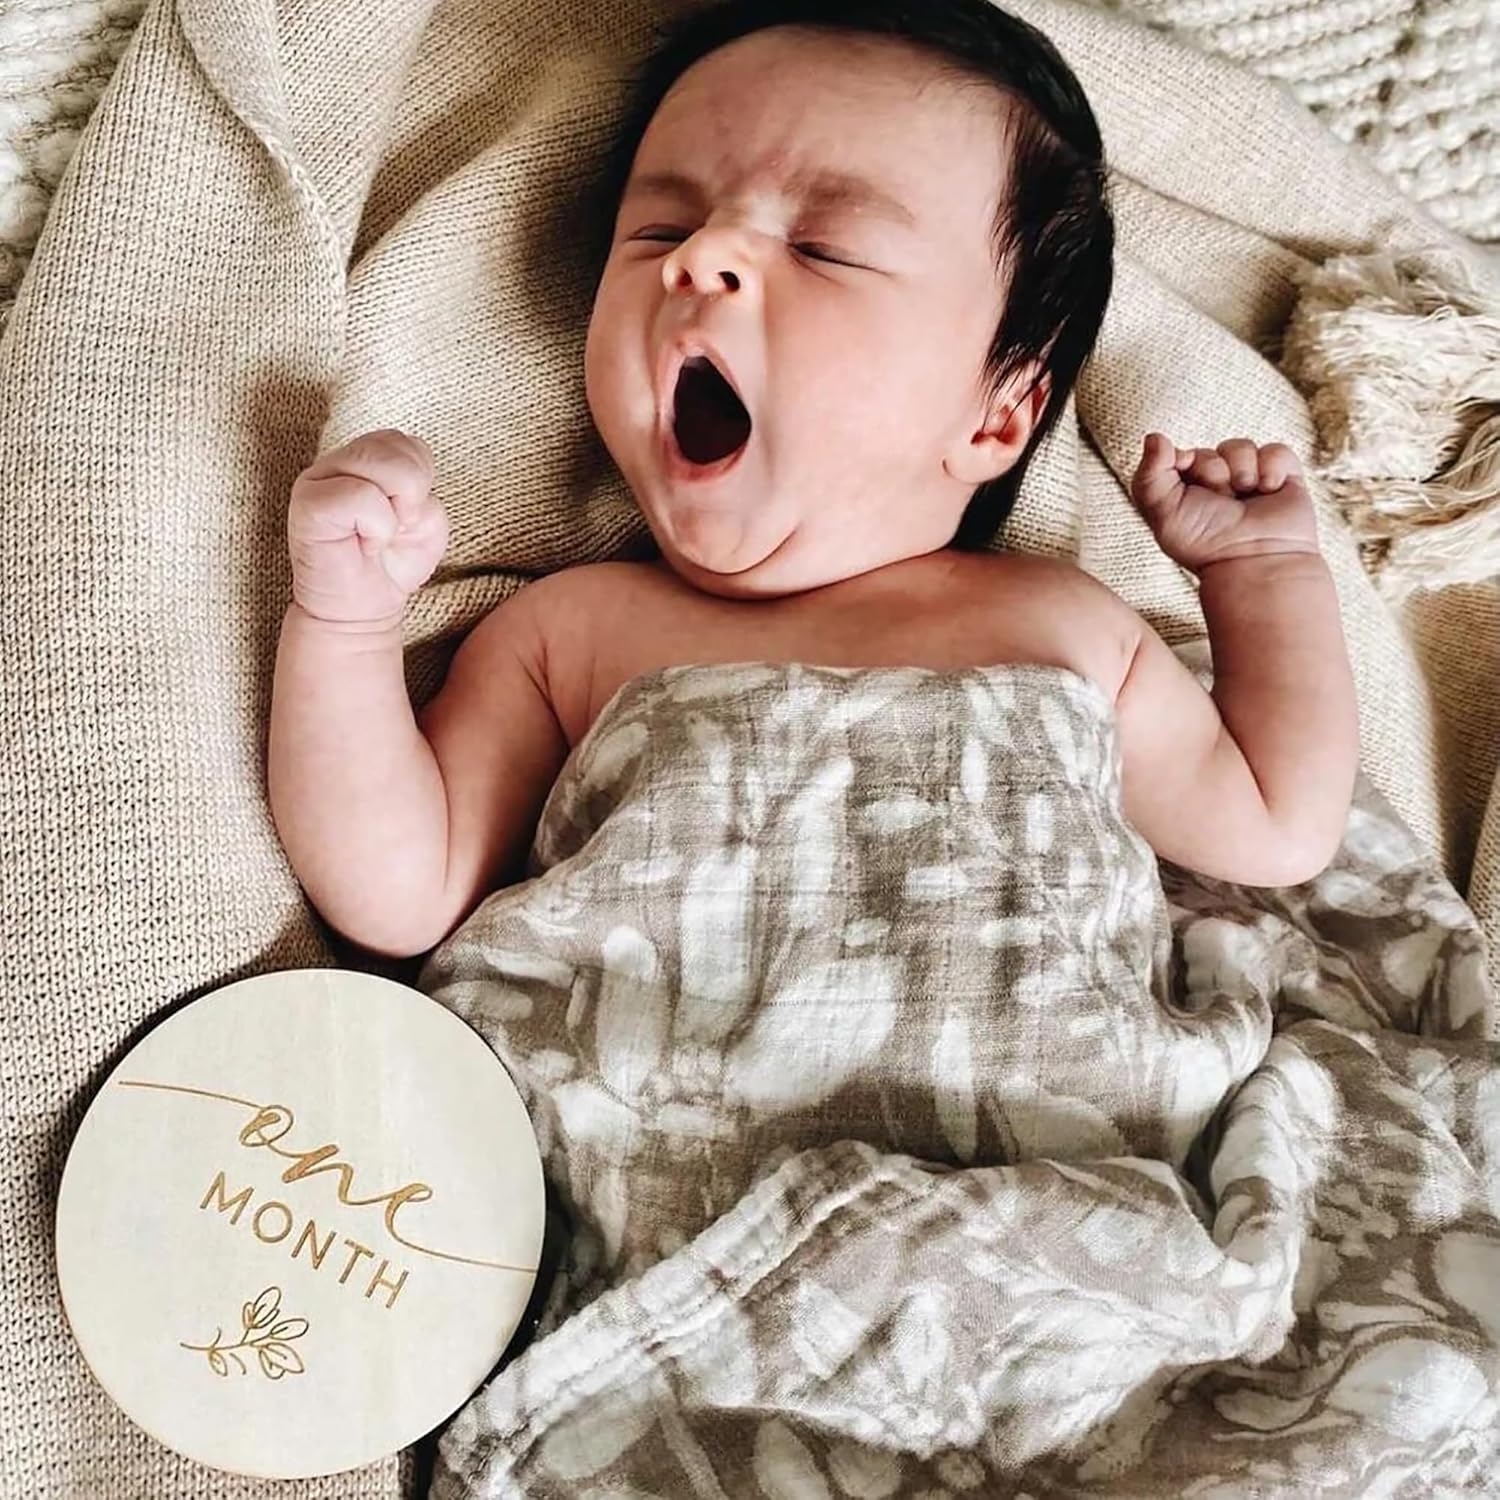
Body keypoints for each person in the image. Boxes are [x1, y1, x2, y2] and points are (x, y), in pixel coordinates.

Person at [268, 0, 1358, 963]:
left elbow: (1273, 826)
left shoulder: (1066, 628)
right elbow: (401, 895)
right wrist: (348, 625)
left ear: (998, 415)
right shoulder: (565, 640)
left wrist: (1263, 576)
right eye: (662, 227)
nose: (702, 258)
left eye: (828, 247)